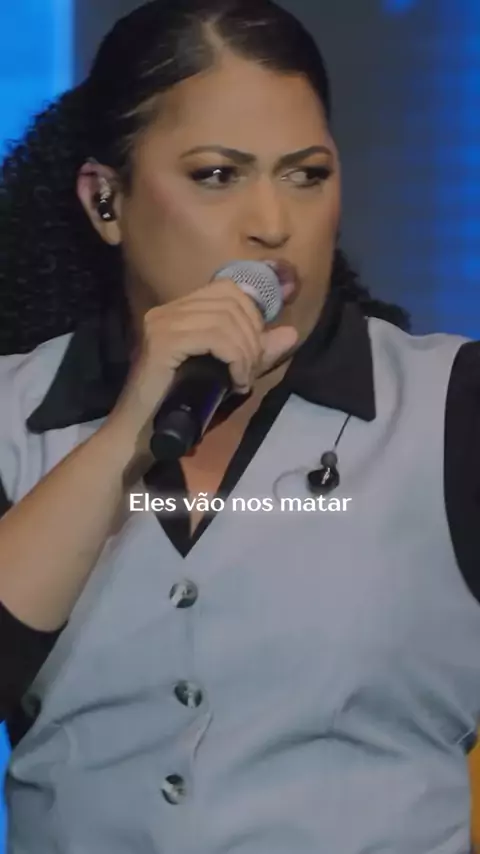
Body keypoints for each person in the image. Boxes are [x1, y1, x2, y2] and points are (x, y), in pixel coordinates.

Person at [0, 0, 479, 851]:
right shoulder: (14, 411)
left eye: (307, 175)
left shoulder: (450, 404)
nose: (273, 223)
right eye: (218, 175)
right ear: (106, 200)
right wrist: (127, 430)